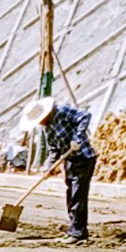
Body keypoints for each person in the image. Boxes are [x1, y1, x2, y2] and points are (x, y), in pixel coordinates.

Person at [26, 98, 98, 244]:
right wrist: (48, 168)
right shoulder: (47, 128)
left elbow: (84, 116)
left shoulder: (61, 110)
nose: (39, 123)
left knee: (78, 195)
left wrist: (77, 138)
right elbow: (54, 149)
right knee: (71, 195)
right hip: (70, 160)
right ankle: (73, 230)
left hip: (83, 157)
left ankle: (78, 233)